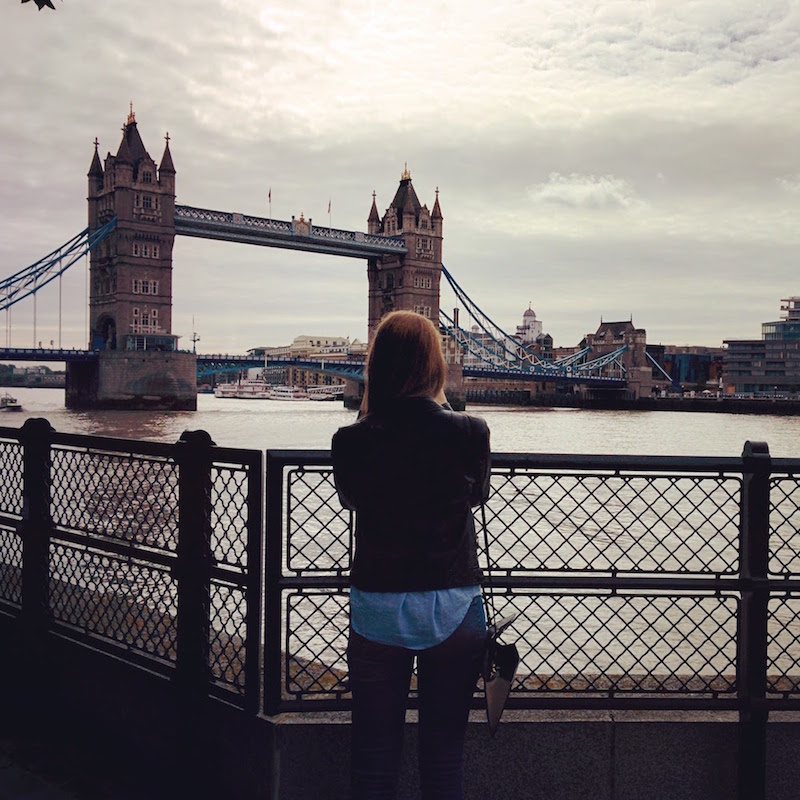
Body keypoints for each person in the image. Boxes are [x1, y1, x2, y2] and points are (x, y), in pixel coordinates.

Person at [331, 310, 491, 800]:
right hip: (455, 606)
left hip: (377, 605)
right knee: (444, 759)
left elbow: (352, 499)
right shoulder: (472, 431)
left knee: (374, 759)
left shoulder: (350, 440)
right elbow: (478, 495)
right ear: (434, 366)